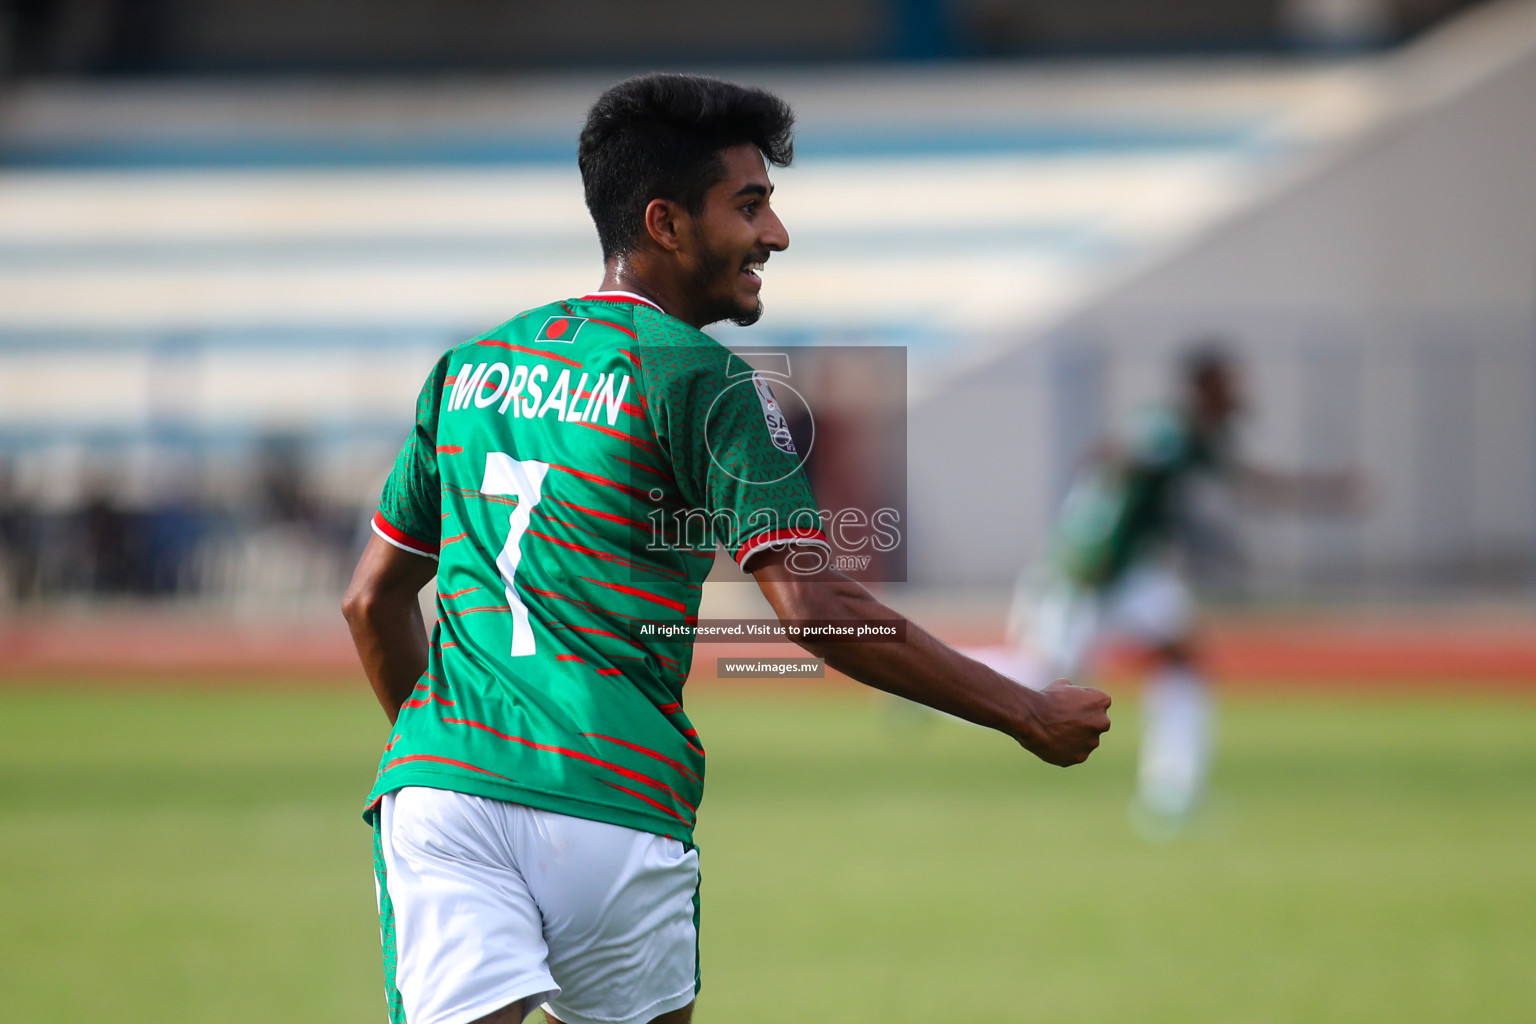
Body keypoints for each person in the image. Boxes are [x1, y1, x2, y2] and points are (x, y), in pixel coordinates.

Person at [343, 72, 1111, 1024]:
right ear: (666, 222)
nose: (775, 235)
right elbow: (815, 608)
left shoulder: (467, 369)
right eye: (750, 207)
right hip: (611, 795)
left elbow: (371, 601)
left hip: (443, 790)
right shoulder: (709, 385)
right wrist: (1025, 711)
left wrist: (451, 756)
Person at [1007, 345, 1354, 837]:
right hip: (1092, 573)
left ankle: (1171, 794)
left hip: (1131, 575)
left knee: (1183, 660)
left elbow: (1246, 482)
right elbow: (1109, 464)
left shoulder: (1192, 437)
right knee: (1042, 678)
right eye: (1228, 382)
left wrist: (1325, 492)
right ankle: (934, 685)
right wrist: (1091, 546)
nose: (1238, 393)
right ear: (1204, 385)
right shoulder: (1165, 431)